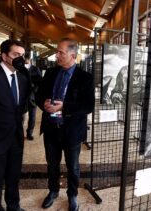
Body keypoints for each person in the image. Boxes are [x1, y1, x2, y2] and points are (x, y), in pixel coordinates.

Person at [36, 38, 95, 211]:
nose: (57, 55)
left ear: (73, 55)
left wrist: (65, 107)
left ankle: (72, 195)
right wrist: (44, 105)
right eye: (57, 51)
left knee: (73, 167)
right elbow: (39, 96)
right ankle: (53, 191)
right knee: (52, 165)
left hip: (72, 131)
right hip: (51, 129)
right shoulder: (51, 73)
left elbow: (88, 106)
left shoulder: (85, 78)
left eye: (61, 52)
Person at [0, 40, 30, 211]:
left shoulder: (22, 79)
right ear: (4, 56)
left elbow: (22, 107)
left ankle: (13, 205)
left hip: (16, 138)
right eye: (16, 55)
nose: (21, 59)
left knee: (13, 175)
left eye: (22, 55)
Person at [24, 55, 42, 140]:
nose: (25, 60)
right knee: (20, 116)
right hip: (22, 97)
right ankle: (18, 133)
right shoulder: (19, 69)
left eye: (26, 59)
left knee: (32, 117)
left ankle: (29, 133)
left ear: (29, 59)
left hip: (33, 97)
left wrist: (34, 89)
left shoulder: (35, 69)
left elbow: (40, 83)